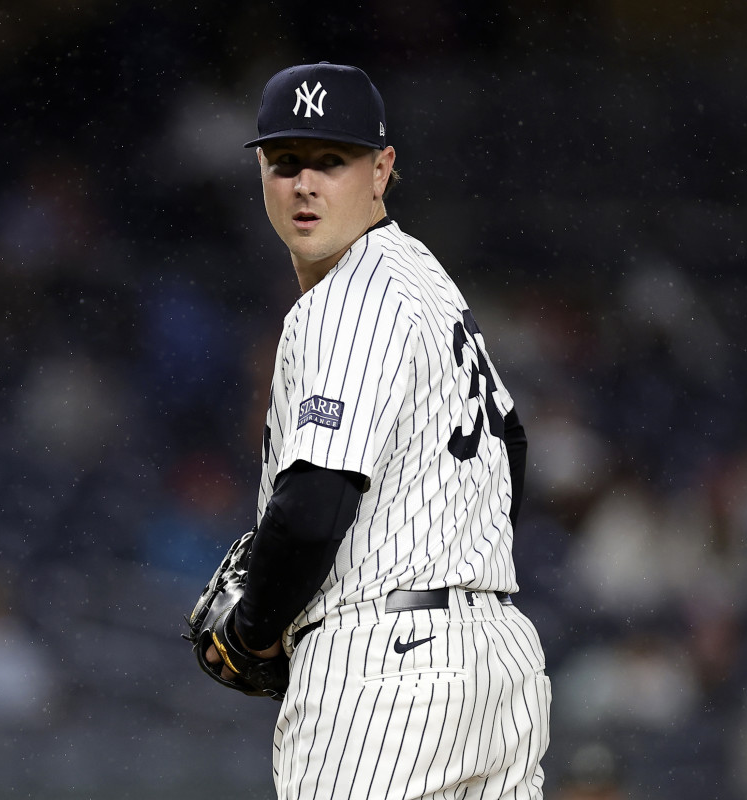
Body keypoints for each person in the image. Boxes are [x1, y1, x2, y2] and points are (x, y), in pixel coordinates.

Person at [204, 62, 551, 799]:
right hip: (499, 662)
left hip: (385, 672)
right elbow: (513, 447)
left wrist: (252, 631)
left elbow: (313, 505)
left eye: (331, 160)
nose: (304, 185)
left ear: (382, 169)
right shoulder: (424, 275)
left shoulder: (345, 301)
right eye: (284, 162)